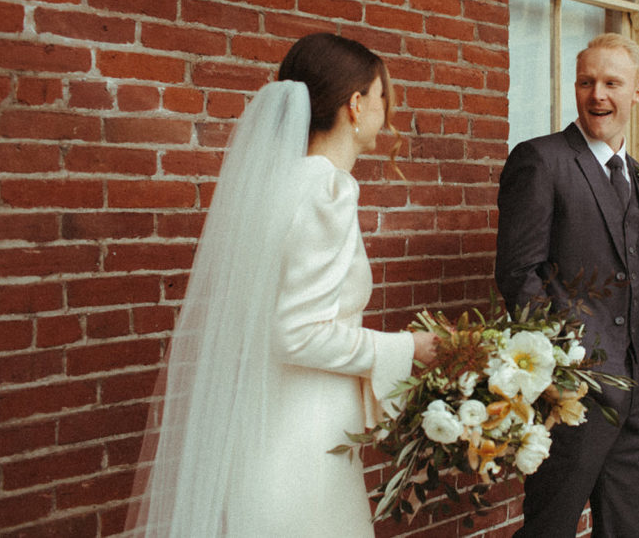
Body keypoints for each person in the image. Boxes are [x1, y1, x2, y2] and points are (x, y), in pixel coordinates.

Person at [126, 33, 437, 537]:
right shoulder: (327, 191)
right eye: (383, 99)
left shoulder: (277, 183)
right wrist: (408, 347)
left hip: (267, 417)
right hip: (302, 438)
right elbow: (296, 333)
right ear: (356, 105)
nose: (389, 114)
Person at [495, 33, 639, 537]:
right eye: (586, 82)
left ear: (638, 93)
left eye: (612, 83)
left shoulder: (636, 175)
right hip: (575, 392)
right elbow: (520, 273)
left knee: (630, 529)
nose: (597, 95)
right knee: (549, 528)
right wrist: (561, 366)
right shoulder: (541, 160)